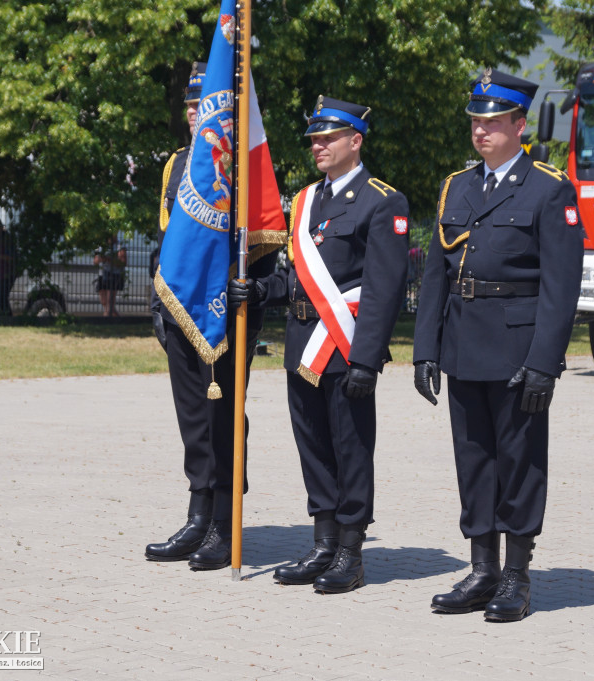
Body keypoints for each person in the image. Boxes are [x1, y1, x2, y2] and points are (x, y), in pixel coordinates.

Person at [411, 69, 584, 622]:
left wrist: (544, 362)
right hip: (463, 343)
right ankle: (481, 568)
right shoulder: (457, 187)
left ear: (518, 124)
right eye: (475, 122)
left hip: (516, 347)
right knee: (474, 461)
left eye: (491, 122)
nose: (480, 131)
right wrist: (425, 349)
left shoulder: (548, 188)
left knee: (519, 461)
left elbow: (562, 286)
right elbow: (437, 274)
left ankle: (516, 575)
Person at [229, 96, 410, 593]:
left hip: (346, 347)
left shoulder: (382, 201)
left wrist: (367, 359)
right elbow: (298, 278)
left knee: (350, 449)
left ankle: (350, 552)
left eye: (328, 137)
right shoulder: (306, 200)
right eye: (314, 138)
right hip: (302, 343)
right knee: (313, 447)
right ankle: (323, 543)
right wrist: (264, 289)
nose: (318, 145)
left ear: (356, 140)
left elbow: (384, 288)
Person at [145, 62, 277, 571]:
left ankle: (225, 522)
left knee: (223, 418)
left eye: (209, 102)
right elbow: (169, 244)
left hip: (226, 315)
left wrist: (255, 297)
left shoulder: (243, 164)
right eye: (193, 103)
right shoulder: (178, 163)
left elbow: (264, 248)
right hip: (181, 313)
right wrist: (160, 307)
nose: (198, 110)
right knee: (193, 421)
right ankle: (198, 516)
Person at [94, 235, 127, 317]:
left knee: (110, 300)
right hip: (102, 273)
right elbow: (95, 261)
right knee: (103, 299)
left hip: (114, 274)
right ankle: (113, 316)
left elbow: (122, 262)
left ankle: (107, 317)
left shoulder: (119, 246)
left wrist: (108, 259)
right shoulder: (101, 246)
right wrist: (100, 259)